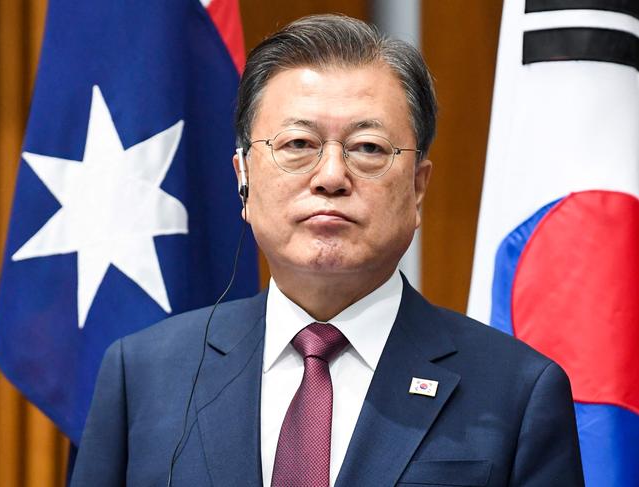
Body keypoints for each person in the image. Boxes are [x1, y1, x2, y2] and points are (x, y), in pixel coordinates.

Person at [71, 14, 585, 487]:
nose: (332, 176)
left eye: (368, 148)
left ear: (418, 188)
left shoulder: (517, 392)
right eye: (297, 144)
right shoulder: (140, 375)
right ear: (243, 177)